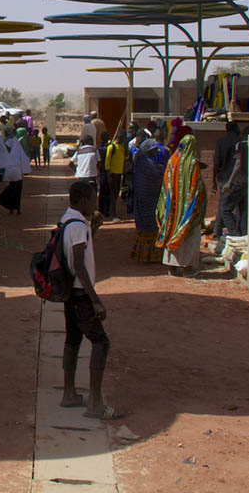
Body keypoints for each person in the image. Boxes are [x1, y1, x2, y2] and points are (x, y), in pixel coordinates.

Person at [58, 181, 121, 420]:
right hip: (81, 294)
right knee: (101, 342)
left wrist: (93, 230)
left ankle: (69, 393)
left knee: (73, 341)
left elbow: (79, 251)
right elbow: (79, 266)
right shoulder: (77, 226)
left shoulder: (69, 219)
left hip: (70, 294)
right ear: (84, 200)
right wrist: (95, 300)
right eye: (93, 199)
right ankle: (94, 403)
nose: (95, 203)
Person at [157, 134, 207, 275]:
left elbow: (166, 185)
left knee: (172, 233)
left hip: (171, 209)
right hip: (187, 210)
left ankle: (172, 268)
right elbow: (196, 187)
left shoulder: (172, 161)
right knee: (188, 236)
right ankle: (187, 268)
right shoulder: (193, 164)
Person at [130, 138, 166, 262]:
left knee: (147, 225)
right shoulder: (147, 164)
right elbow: (156, 175)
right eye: (154, 150)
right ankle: (149, 256)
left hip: (143, 199)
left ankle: (143, 254)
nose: (156, 151)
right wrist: (161, 169)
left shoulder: (142, 162)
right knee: (151, 225)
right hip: (148, 200)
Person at [211, 122, 241, 244]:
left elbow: (217, 162)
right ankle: (219, 232)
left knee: (223, 207)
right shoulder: (240, 141)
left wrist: (214, 179)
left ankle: (229, 233)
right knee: (237, 207)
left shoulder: (221, 142)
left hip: (224, 179)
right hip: (238, 180)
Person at [0, 128, 29, 215]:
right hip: (18, 175)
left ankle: (12, 208)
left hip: (13, 175)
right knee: (16, 192)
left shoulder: (10, 144)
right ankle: (16, 209)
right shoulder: (16, 144)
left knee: (12, 191)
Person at [104, 131, 128, 220]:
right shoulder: (111, 147)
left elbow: (126, 157)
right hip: (112, 174)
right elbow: (107, 161)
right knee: (113, 194)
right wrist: (108, 174)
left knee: (116, 194)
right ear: (119, 137)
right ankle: (112, 213)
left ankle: (114, 212)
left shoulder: (122, 147)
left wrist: (126, 148)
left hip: (119, 174)